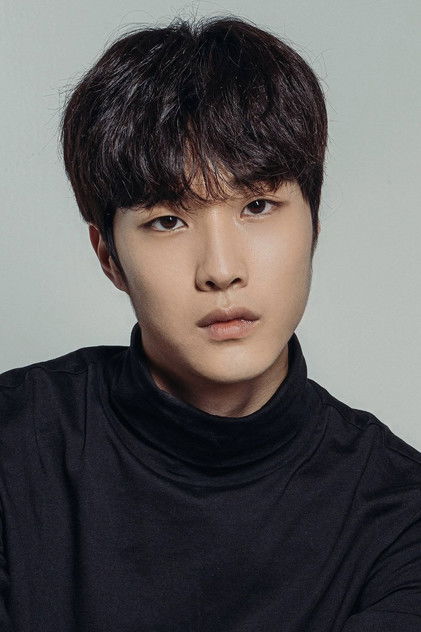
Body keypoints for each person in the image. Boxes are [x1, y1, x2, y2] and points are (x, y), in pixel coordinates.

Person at [0, 14, 420, 632]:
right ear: (108, 256)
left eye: (259, 205)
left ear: (313, 226)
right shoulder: (16, 448)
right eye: (168, 220)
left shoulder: (400, 514)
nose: (221, 270)